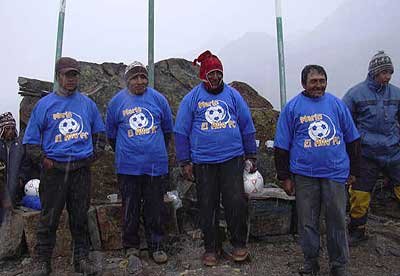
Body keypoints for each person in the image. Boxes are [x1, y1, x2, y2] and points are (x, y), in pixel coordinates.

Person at [274, 65, 360, 276]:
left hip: (335, 173)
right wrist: (284, 177)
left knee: (337, 220)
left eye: (322, 80)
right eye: (314, 81)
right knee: (307, 222)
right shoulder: (292, 108)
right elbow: (281, 145)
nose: (318, 85)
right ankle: (310, 262)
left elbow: (353, 139)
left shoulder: (337, 105)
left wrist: (354, 170)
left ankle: (339, 265)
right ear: (304, 83)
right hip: (304, 175)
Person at [23, 57, 106, 276]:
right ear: (58, 76)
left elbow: (100, 134)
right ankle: (42, 262)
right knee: (49, 218)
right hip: (54, 171)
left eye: (75, 74)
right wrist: (44, 160)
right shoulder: (44, 105)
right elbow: (30, 140)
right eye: (67, 74)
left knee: (80, 217)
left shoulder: (87, 104)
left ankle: (82, 260)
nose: (71, 79)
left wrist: (92, 157)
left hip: (80, 170)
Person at [174, 50, 257, 266]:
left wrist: (251, 155)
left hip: (232, 159)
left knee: (235, 203)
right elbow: (181, 131)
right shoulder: (192, 98)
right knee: (207, 205)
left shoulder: (233, 95)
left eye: (218, 73)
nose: (215, 78)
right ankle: (211, 248)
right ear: (203, 76)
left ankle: (238, 244)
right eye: (211, 74)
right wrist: (185, 161)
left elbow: (246, 125)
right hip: (203, 162)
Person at [106, 61, 173, 264]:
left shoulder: (159, 99)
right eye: (134, 77)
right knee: (130, 208)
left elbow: (167, 130)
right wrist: (128, 151)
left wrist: (153, 149)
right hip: (128, 167)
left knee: (155, 208)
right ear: (127, 80)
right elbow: (111, 135)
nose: (139, 81)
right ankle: (131, 246)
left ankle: (157, 245)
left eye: (143, 76)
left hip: (155, 165)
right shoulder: (117, 102)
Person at [342, 51, 400, 245]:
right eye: (384, 72)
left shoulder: (396, 93)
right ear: (374, 72)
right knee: (360, 194)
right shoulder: (355, 94)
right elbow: (345, 124)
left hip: (394, 151)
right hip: (366, 154)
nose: (388, 76)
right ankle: (357, 229)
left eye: (390, 72)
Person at [0, 112, 31, 225]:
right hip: (2, 186)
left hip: (16, 187)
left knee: (11, 218)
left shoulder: (21, 144)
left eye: (12, 128)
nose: (10, 131)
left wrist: (22, 178)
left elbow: (26, 164)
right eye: (7, 129)